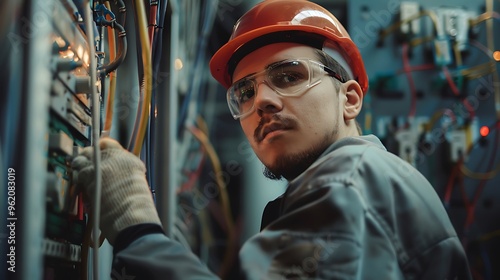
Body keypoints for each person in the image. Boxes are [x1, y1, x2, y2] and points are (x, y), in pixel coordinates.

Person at [72, 0, 472, 279]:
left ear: (349, 99)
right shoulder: (363, 183)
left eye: (289, 76)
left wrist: (137, 230)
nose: (261, 100)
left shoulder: (348, 180)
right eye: (244, 92)